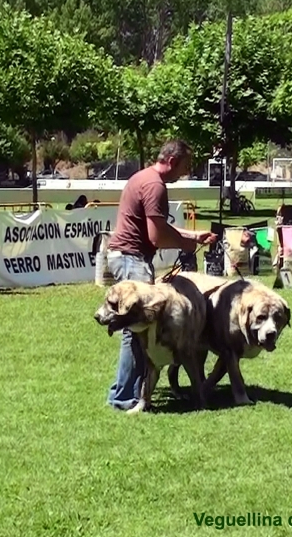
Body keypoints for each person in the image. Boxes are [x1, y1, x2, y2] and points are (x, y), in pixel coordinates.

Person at [105, 139, 217, 412]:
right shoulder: (156, 186)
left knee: (138, 328)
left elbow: (154, 227)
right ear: (172, 161)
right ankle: (124, 396)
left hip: (125, 256)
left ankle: (130, 393)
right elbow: (157, 236)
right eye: (185, 166)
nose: (186, 172)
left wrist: (191, 235)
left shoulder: (143, 177)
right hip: (133, 260)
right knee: (137, 329)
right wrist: (185, 244)